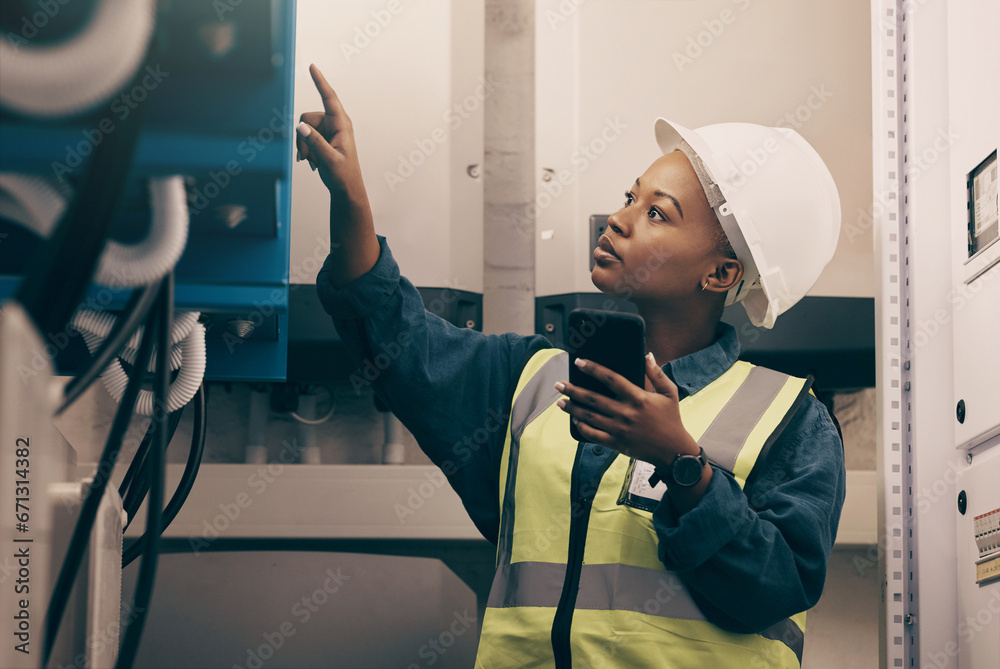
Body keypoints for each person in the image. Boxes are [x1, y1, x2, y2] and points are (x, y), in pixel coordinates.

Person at [296, 63, 846, 669]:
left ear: (719, 274)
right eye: (630, 198)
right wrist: (349, 194)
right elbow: (393, 333)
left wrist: (681, 465)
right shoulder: (527, 382)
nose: (619, 219)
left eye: (658, 214)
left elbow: (776, 586)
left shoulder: (792, 421)